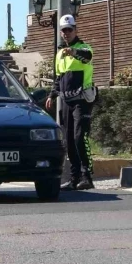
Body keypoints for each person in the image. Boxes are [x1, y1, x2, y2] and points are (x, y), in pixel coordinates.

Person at [45, 14, 97, 191]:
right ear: (60, 33)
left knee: (79, 137)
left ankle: (87, 177)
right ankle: (74, 178)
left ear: (76, 30)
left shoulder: (84, 47)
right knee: (68, 139)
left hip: (82, 100)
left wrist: (74, 52)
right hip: (67, 100)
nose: (66, 33)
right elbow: (59, 78)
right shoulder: (59, 54)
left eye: (69, 29)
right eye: (64, 30)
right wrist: (52, 95)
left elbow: (87, 57)